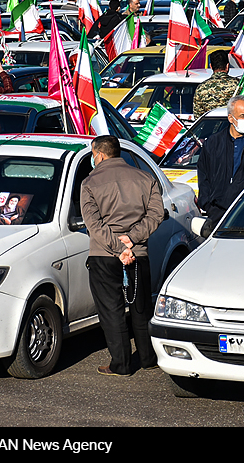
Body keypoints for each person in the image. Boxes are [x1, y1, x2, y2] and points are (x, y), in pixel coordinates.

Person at [80, 135, 164, 376]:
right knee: (141, 307)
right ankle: (148, 357)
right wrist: (133, 239)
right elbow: (156, 214)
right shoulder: (145, 178)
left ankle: (121, 363)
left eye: (93, 154)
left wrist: (118, 247)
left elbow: (93, 224)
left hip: (104, 255)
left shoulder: (89, 182)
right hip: (138, 252)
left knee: (111, 310)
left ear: (100, 154)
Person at [197, 95, 244, 226]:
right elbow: (204, 174)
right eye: (243, 116)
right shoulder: (213, 142)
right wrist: (208, 204)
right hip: (218, 213)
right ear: (231, 118)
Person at [193, 51, 239, 117]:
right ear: (227, 66)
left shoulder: (201, 88)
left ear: (211, 66)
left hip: (210, 126)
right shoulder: (238, 85)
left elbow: (198, 116)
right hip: (232, 125)